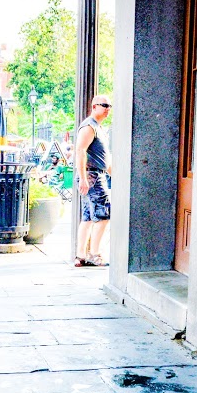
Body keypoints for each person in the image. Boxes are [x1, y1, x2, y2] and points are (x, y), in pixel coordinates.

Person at [74, 95, 112, 267]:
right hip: (93, 176)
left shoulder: (98, 128)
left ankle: (80, 255)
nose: (107, 109)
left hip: (94, 174)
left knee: (88, 217)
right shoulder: (89, 126)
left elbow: (103, 159)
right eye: (104, 105)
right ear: (94, 106)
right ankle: (95, 254)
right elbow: (80, 151)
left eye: (109, 106)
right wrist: (83, 178)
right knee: (103, 215)